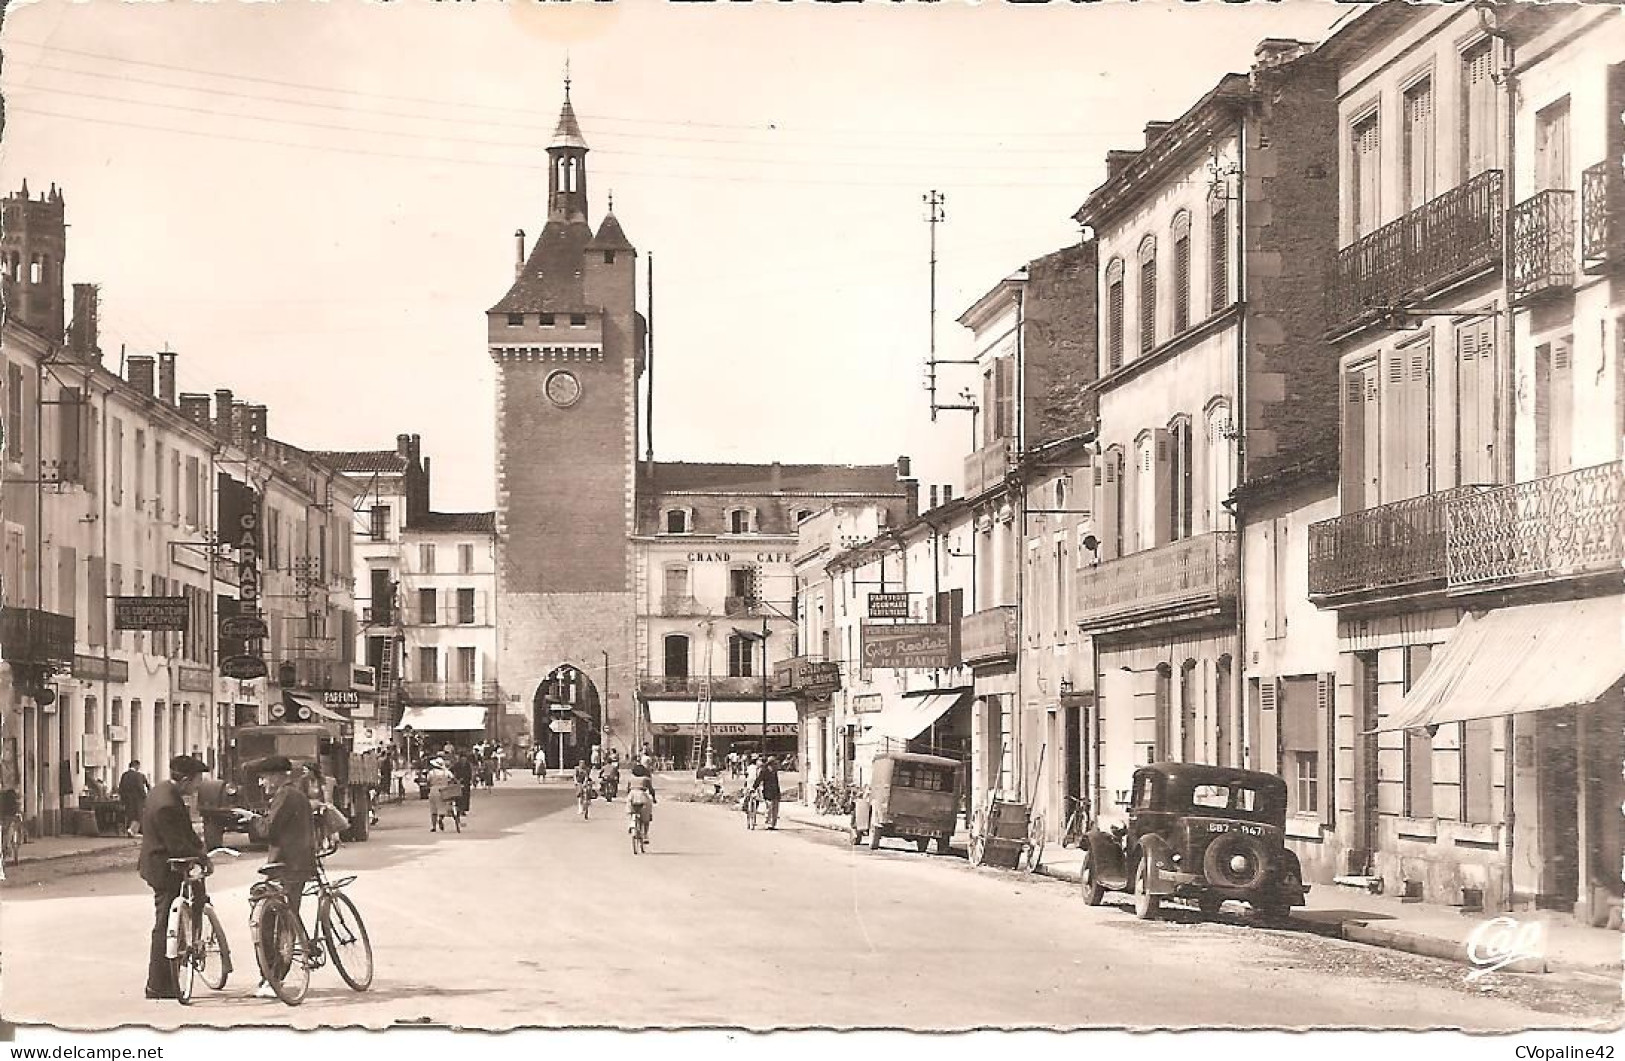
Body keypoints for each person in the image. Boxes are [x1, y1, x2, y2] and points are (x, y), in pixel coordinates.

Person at [234, 755, 319, 1000]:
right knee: (282, 918)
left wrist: (252, 819)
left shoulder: (285, 795)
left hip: (287, 866)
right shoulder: (294, 795)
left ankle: (274, 977)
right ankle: (272, 975)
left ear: (277, 776)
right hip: (294, 865)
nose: (262, 783)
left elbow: (269, 831)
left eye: (264, 778)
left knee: (275, 923)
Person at [136, 755, 209, 1000]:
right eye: (197, 781)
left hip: (160, 863)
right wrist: (201, 858)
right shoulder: (168, 803)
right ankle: (158, 985)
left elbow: (185, 831)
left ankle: (167, 978)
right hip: (165, 867)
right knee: (165, 923)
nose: (198, 787)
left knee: (166, 920)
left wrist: (199, 849)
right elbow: (177, 844)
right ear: (186, 780)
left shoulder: (163, 791)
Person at [625, 759, 657, 846]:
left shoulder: (630, 779)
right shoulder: (646, 779)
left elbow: (627, 790)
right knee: (646, 818)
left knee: (630, 812)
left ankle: (631, 824)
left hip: (632, 796)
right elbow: (651, 790)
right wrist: (654, 798)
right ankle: (645, 835)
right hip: (642, 796)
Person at [119, 760, 151, 838]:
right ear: (137, 766)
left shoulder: (124, 775)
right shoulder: (139, 775)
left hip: (127, 800)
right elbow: (141, 787)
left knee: (130, 814)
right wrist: (145, 796)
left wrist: (123, 798)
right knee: (138, 815)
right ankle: (131, 830)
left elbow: (121, 788)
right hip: (137, 800)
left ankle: (131, 830)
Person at [749, 756, 782, 829]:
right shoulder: (764, 771)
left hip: (775, 791)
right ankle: (767, 823)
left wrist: (779, 792)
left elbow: (777, 783)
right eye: (774, 763)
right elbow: (759, 779)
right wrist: (753, 787)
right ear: (770, 763)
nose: (775, 765)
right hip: (768, 791)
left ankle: (773, 824)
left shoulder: (774, 771)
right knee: (769, 807)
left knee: (775, 809)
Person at [426, 757, 456, 831]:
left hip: (433, 790)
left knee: (433, 809)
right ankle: (440, 818)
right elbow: (453, 779)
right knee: (444, 807)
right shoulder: (447, 772)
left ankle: (433, 827)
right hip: (444, 790)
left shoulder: (431, 772)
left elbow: (428, 782)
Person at [451, 751, 475, 818]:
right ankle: (459, 809)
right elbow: (451, 772)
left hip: (466, 782)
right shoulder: (456, 765)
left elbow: (470, 773)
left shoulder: (468, 765)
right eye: (462, 758)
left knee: (466, 796)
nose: (463, 760)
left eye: (464, 759)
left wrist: (471, 780)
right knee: (459, 796)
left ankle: (464, 809)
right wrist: (456, 779)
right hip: (458, 783)